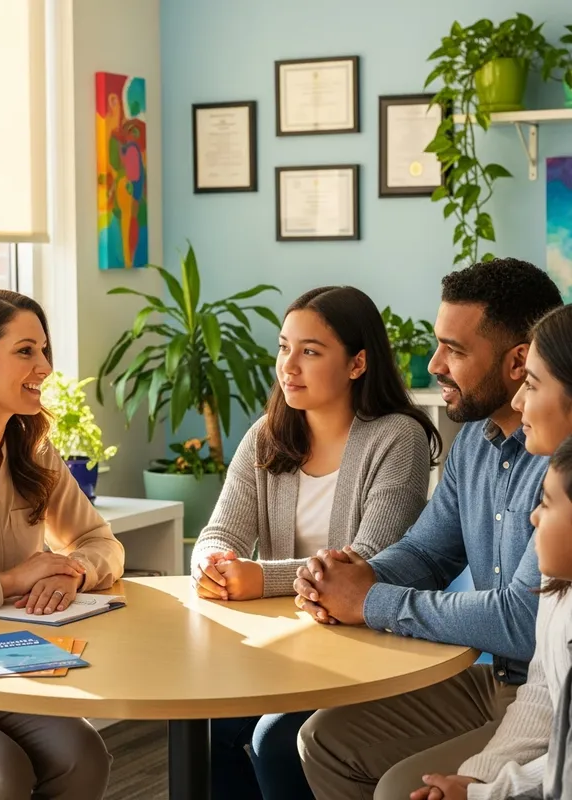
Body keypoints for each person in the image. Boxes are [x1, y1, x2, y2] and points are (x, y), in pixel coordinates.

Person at [288, 259, 563, 800]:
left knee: (396, 788)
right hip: (497, 680)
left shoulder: (559, 466)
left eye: (455, 350)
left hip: (546, 693)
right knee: (320, 738)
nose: (435, 364)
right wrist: (347, 578)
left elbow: (521, 619)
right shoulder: (474, 445)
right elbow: (427, 552)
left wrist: (369, 601)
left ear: (517, 363)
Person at [191, 285, 441, 800]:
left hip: (365, 645)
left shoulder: (398, 437)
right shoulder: (266, 434)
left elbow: (370, 562)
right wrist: (211, 561)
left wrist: (262, 578)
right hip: (282, 644)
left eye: (310, 351)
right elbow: (220, 531)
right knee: (210, 728)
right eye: (284, 347)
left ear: (357, 363)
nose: (289, 366)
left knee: (273, 737)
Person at [411, 304, 572, 800]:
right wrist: (483, 779)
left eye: (535, 383)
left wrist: (486, 791)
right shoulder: (479, 448)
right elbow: (546, 689)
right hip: (508, 692)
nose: (520, 401)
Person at [0, 289, 124, 800]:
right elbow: (17, 578)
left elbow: (100, 540)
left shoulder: (33, 451)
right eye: (24, 351)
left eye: (44, 350)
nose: (45, 366)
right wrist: (14, 581)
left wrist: (73, 570)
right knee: (0, 771)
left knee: (80, 755)